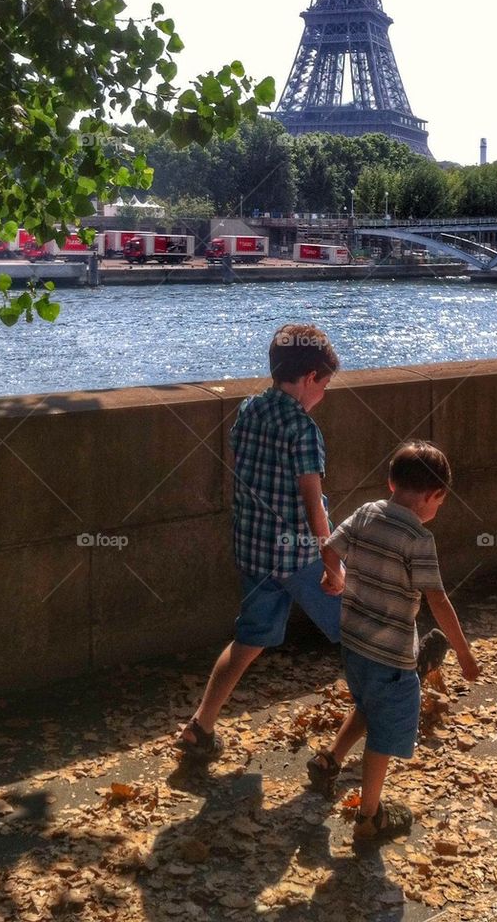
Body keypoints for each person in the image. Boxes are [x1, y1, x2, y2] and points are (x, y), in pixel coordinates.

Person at [175, 322, 343, 761]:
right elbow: (312, 505)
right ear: (310, 379)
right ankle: (395, 691)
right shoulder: (304, 430)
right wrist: (332, 561)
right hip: (297, 554)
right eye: (324, 385)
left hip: (253, 549)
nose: (323, 395)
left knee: (248, 640)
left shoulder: (249, 410)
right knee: (359, 625)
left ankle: (201, 726)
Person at [315, 440, 480, 841]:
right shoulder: (418, 540)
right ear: (434, 495)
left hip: (353, 642)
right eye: (440, 503)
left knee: (369, 703)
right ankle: (370, 816)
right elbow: (436, 599)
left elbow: (328, 546)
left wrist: (333, 576)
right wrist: (464, 652)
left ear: (391, 481)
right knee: (385, 733)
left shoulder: (366, 513)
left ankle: (329, 761)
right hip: (390, 653)